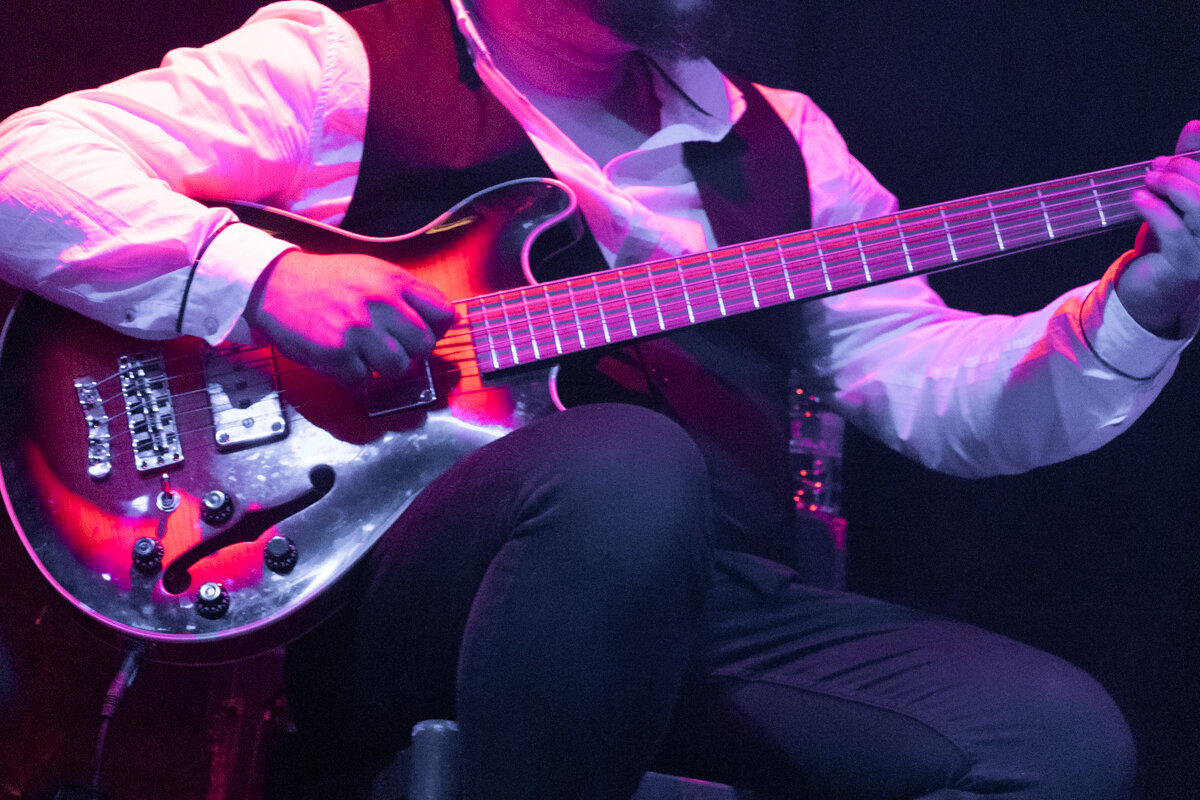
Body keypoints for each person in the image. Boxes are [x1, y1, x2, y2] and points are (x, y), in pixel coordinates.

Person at [1, 0, 1198, 797]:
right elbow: (24, 169)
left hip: (694, 604)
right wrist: (261, 278)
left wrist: (1147, 297)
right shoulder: (344, 65)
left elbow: (943, 388)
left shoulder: (783, 141)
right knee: (624, 462)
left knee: (1056, 738)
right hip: (393, 595)